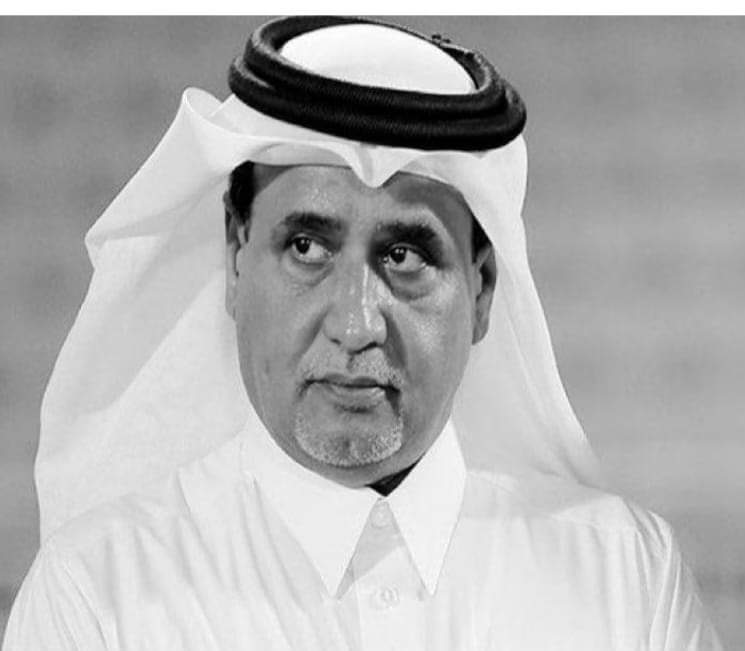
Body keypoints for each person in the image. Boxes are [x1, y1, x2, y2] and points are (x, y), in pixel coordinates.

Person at [3, 16, 723, 650]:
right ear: (235, 258)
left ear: (480, 289)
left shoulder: (625, 577)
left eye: (404, 256)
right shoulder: (98, 596)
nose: (354, 325)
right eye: (307, 248)